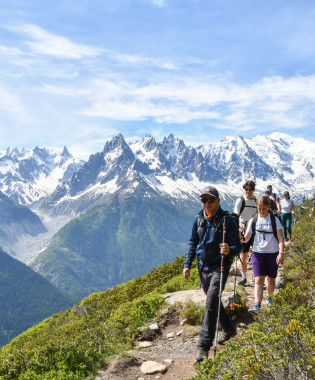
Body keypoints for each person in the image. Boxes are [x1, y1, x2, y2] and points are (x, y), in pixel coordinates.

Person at [183, 185, 241, 363]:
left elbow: (238, 246)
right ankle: (229, 328)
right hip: (203, 268)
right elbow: (193, 243)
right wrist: (187, 265)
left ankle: (203, 346)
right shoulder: (199, 219)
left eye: (210, 200)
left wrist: (228, 250)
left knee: (210, 303)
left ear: (218, 201)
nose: (206, 203)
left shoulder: (226, 221)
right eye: (203, 200)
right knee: (213, 301)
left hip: (219, 267)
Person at [243, 196, 285, 315]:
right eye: (259, 209)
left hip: (273, 253)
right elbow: (247, 238)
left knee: (271, 278)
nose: (261, 211)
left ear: (268, 208)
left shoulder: (274, 220)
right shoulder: (254, 220)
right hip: (258, 253)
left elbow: (281, 238)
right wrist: (240, 238)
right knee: (258, 279)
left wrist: (281, 253)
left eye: (264, 209)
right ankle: (257, 304)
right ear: (257, 207)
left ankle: (270, 299)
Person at [233, 180, 257, 285]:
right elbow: (235, 216)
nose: (248, 191)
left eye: (250, 189)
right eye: (246, 189)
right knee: (243, 255)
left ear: (253, 190)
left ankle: (255, 276)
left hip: (254, 230)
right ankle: (244, 277)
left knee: (256, 254)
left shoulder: (256, 201)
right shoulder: (240, 201)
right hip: (243, 230)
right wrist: (240, 224)